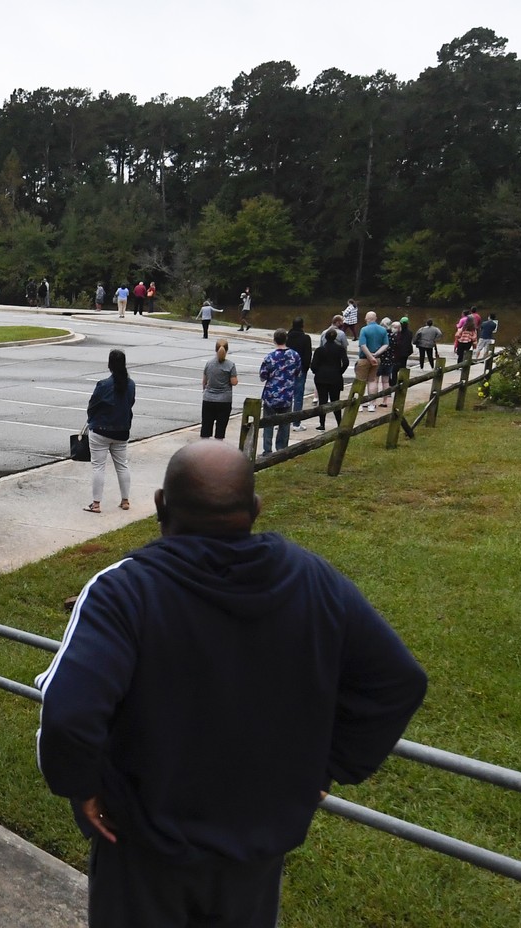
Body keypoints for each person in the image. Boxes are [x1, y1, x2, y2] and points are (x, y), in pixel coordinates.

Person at [36, 440, 427, 928]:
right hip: (255, 853)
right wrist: (328, 769)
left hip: (143, 848)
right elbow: (397, 682)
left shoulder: (123, 590)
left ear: (160, 504)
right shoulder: (313, 580)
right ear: (256, 508)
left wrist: (81, 786)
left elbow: (69, 714)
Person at [84, 350, 135, 513]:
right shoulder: (131, 384)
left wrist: (92, 420)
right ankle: (125, 500)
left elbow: (92, 405)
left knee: (98, 467)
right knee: (122, 465)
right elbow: (130, 403)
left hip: (101, 429)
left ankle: (96, 504)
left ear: (110, 364)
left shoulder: (103, 385)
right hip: (122, 431)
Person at [259, 329, 300, 456]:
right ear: (286, 339)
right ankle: (282, 449)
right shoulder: (295, 356)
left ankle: (267, 450)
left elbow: (263, 376)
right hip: (287, 395)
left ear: (275, 340)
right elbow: (298, 373)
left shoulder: (270, 357)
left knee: (268, 423)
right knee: (284, 423)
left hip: (271, 395)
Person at [199, 338, 238, 440]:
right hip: (224, 400)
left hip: (208, 399)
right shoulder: (230, 365)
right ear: (227, 350)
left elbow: (204, 381)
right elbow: (234, 382)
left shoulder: (209, 363)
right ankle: (218, 450)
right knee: (220, 428)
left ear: (215, 349)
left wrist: (205, 390)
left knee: (206, 426)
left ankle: (204, 449)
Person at [312, 328, 348, 430]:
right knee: (335, 400)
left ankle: (322, 423)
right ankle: (339, 422)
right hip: (335, 377)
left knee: (322, 400)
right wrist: (340, 371)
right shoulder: (340, 349)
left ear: (325, 338)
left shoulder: (320, 350)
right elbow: (345, 362)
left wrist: (317, 372)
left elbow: (313, 365)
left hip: (321, 377)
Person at [285, 318, 312, 430]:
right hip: (300, 369)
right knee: (298, 396)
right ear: (302, 325)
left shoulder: (287, 337)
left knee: (286, 396)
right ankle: (296, 423)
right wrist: (305, 369)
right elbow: (308, 355)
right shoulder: (305, 338)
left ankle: (284, 420)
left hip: (287, 370)